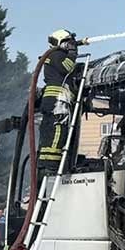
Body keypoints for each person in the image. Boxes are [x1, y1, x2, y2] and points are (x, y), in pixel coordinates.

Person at [37, 29, 83, 173]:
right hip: (58, 100)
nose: (71, 45)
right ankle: (52, 164)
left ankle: (45, 162)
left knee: (49, 129)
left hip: (52, 99)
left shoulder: (52, 55)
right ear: (60, 42)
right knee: (59, 128)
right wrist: (72, 54)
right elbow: (67, 68)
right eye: (68, 42)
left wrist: (78, 45)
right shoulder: (57, 55)